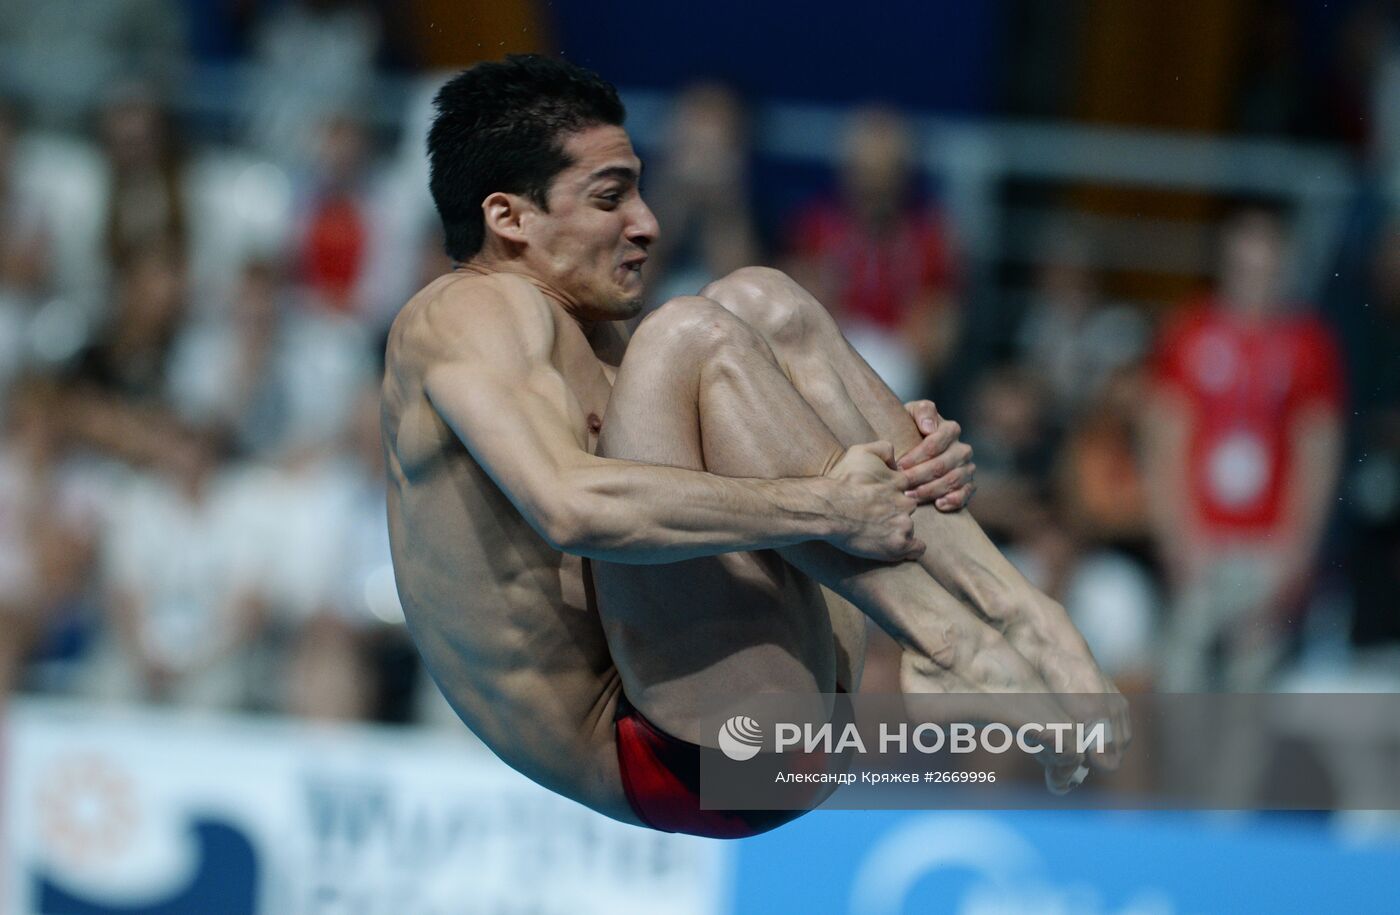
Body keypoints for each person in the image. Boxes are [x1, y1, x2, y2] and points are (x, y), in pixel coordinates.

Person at [383, 56, 1125, 838]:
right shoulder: (459, 315)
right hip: (671, 754)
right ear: (509, 217)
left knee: (759, 298)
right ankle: (947, 642)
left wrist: (895, 445)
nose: (648, 220)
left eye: (638, 187)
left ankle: (1022, 613)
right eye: (611, 197)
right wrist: (831, 503)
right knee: (690, 333)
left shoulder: (597, 330)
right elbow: (570, 508)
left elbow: (741, 481)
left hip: (774, 706)